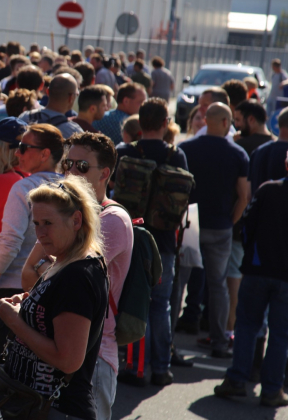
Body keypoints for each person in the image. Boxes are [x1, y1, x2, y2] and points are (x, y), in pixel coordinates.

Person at [23, 132, 132, 420]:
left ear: (105, 173)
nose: (71, 172)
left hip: (92, 359)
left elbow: (66, 278)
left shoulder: (111, 221)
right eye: (67, 164)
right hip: (54, 347)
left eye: (82, 166)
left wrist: (46, 272)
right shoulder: (63, 213)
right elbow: (28, 273)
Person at [0, 175, 109, 420]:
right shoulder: (64, 263)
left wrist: (14, 321)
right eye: (36, 223)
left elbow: (68, 361)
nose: (40, 233)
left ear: (76, 220)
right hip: (33, 405)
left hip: (58, 409)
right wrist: (26, 306)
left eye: (48, 223)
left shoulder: (78, 275)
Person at [214, 142, 288, 407]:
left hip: (259, 270)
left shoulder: (268, 190)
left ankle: (237, 379)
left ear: (287, 165)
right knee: (281, 333)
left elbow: (247, 225)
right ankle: (272, 389)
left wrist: (252, 255)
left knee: (247, 325)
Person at [115, 98, 188, 386]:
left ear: (140, 121)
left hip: (128, 237)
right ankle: (161, 368)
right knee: (160, 306)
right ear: (165, 124)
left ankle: (133, 367)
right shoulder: (176, 156)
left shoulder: (124, 151)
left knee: (128, 299)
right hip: (164, 242)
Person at [0, 124, 65, 356]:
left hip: (14, 288)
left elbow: (9, 243)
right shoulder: (73, 187)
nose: (17, 153)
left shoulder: (23, 188)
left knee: (8, 366)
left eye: (24, 147)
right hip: (60, 286)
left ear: (45, 154)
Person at [179, 103, 250, 358]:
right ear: (225, 122)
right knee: (217, 285)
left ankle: (167, 343)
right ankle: (220, 341)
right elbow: (244, 196)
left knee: (180, 283)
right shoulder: (238, 154)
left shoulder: (186, 149)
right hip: (220, 226)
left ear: (206, 120)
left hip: (190, 224)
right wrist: (231, 221)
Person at [19, 73, 83, 138]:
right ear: (71, 98)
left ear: (47, 92)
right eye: (76, 95)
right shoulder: (73, 132)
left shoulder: (24, 118)